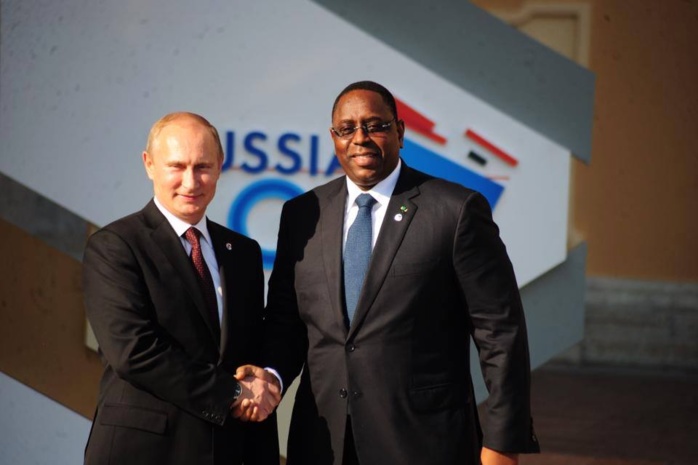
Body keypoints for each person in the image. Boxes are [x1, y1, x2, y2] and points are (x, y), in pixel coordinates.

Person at [260, 81, 540, 464]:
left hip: (422, 443)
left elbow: (500, 333)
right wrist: (270, 376)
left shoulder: (456, 211)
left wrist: (503, 440)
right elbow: (286, 322)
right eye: (347, 129)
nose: (361, 138)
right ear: (334, 138)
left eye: (375, 125)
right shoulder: (302, 213)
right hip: (323, 443)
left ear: (400, 132)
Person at [83, 112, 281, 465]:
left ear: (220, 166)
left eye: (202, 166)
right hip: (144, 452)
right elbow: (133, 351)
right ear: (149, 164)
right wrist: (231, 391)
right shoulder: (115, 246)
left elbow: (248, 347)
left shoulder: (243, 252)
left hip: (228, 451)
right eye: (176, 166)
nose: (190, 182)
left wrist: (263, 380)